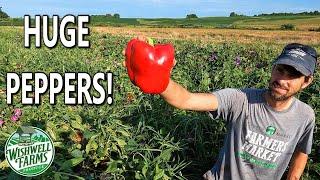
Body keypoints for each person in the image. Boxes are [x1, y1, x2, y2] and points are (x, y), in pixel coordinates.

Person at [123, 39, 317, 180]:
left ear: (307, 81)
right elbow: (186, 99)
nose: (282, 80)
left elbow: (302, 150)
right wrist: (158, 78)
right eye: (280, 69)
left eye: (292, 75)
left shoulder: (305, 116)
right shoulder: (241, 99)